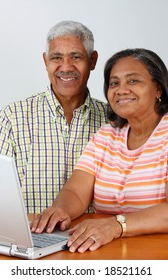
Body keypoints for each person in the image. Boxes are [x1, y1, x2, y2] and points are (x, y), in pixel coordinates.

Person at [31, 48, 168, 253]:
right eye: (114, 83)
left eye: (133, 81)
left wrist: (116, 225)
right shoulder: (106, 135)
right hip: (104, 252)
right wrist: (60, 211)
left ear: (158, 89)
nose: (121, 90)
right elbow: (76, 191)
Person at [0, 20, 108, 213]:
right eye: (56, 58)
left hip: (96, 240)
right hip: (32, 238)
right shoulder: (11, 118)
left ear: (93, 60)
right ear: (45, 61)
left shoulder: (114, 121)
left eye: (76, 57)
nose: (66, 67)